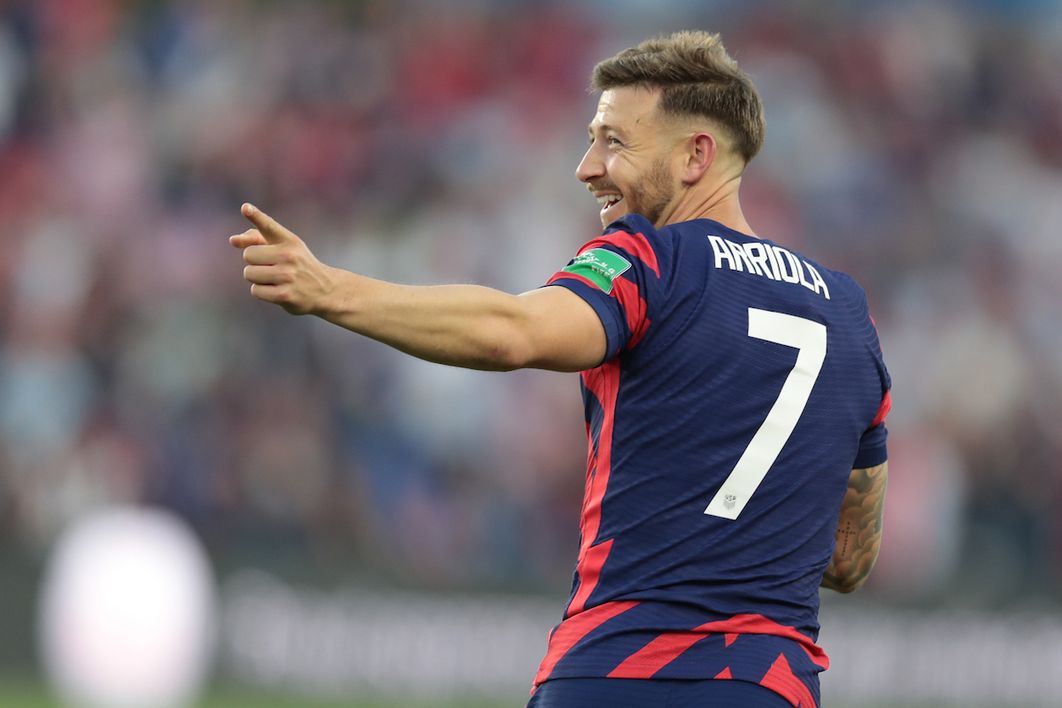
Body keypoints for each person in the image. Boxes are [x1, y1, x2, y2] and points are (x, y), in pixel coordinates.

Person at [229, 30, 890, 708]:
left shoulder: (650, 259)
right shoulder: (848, 315)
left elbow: (512, 333)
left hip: (620, 670)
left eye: (614, 142)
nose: (587, 167)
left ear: (696, 155)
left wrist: (330, 290)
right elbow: (849, 559)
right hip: (769, 684)